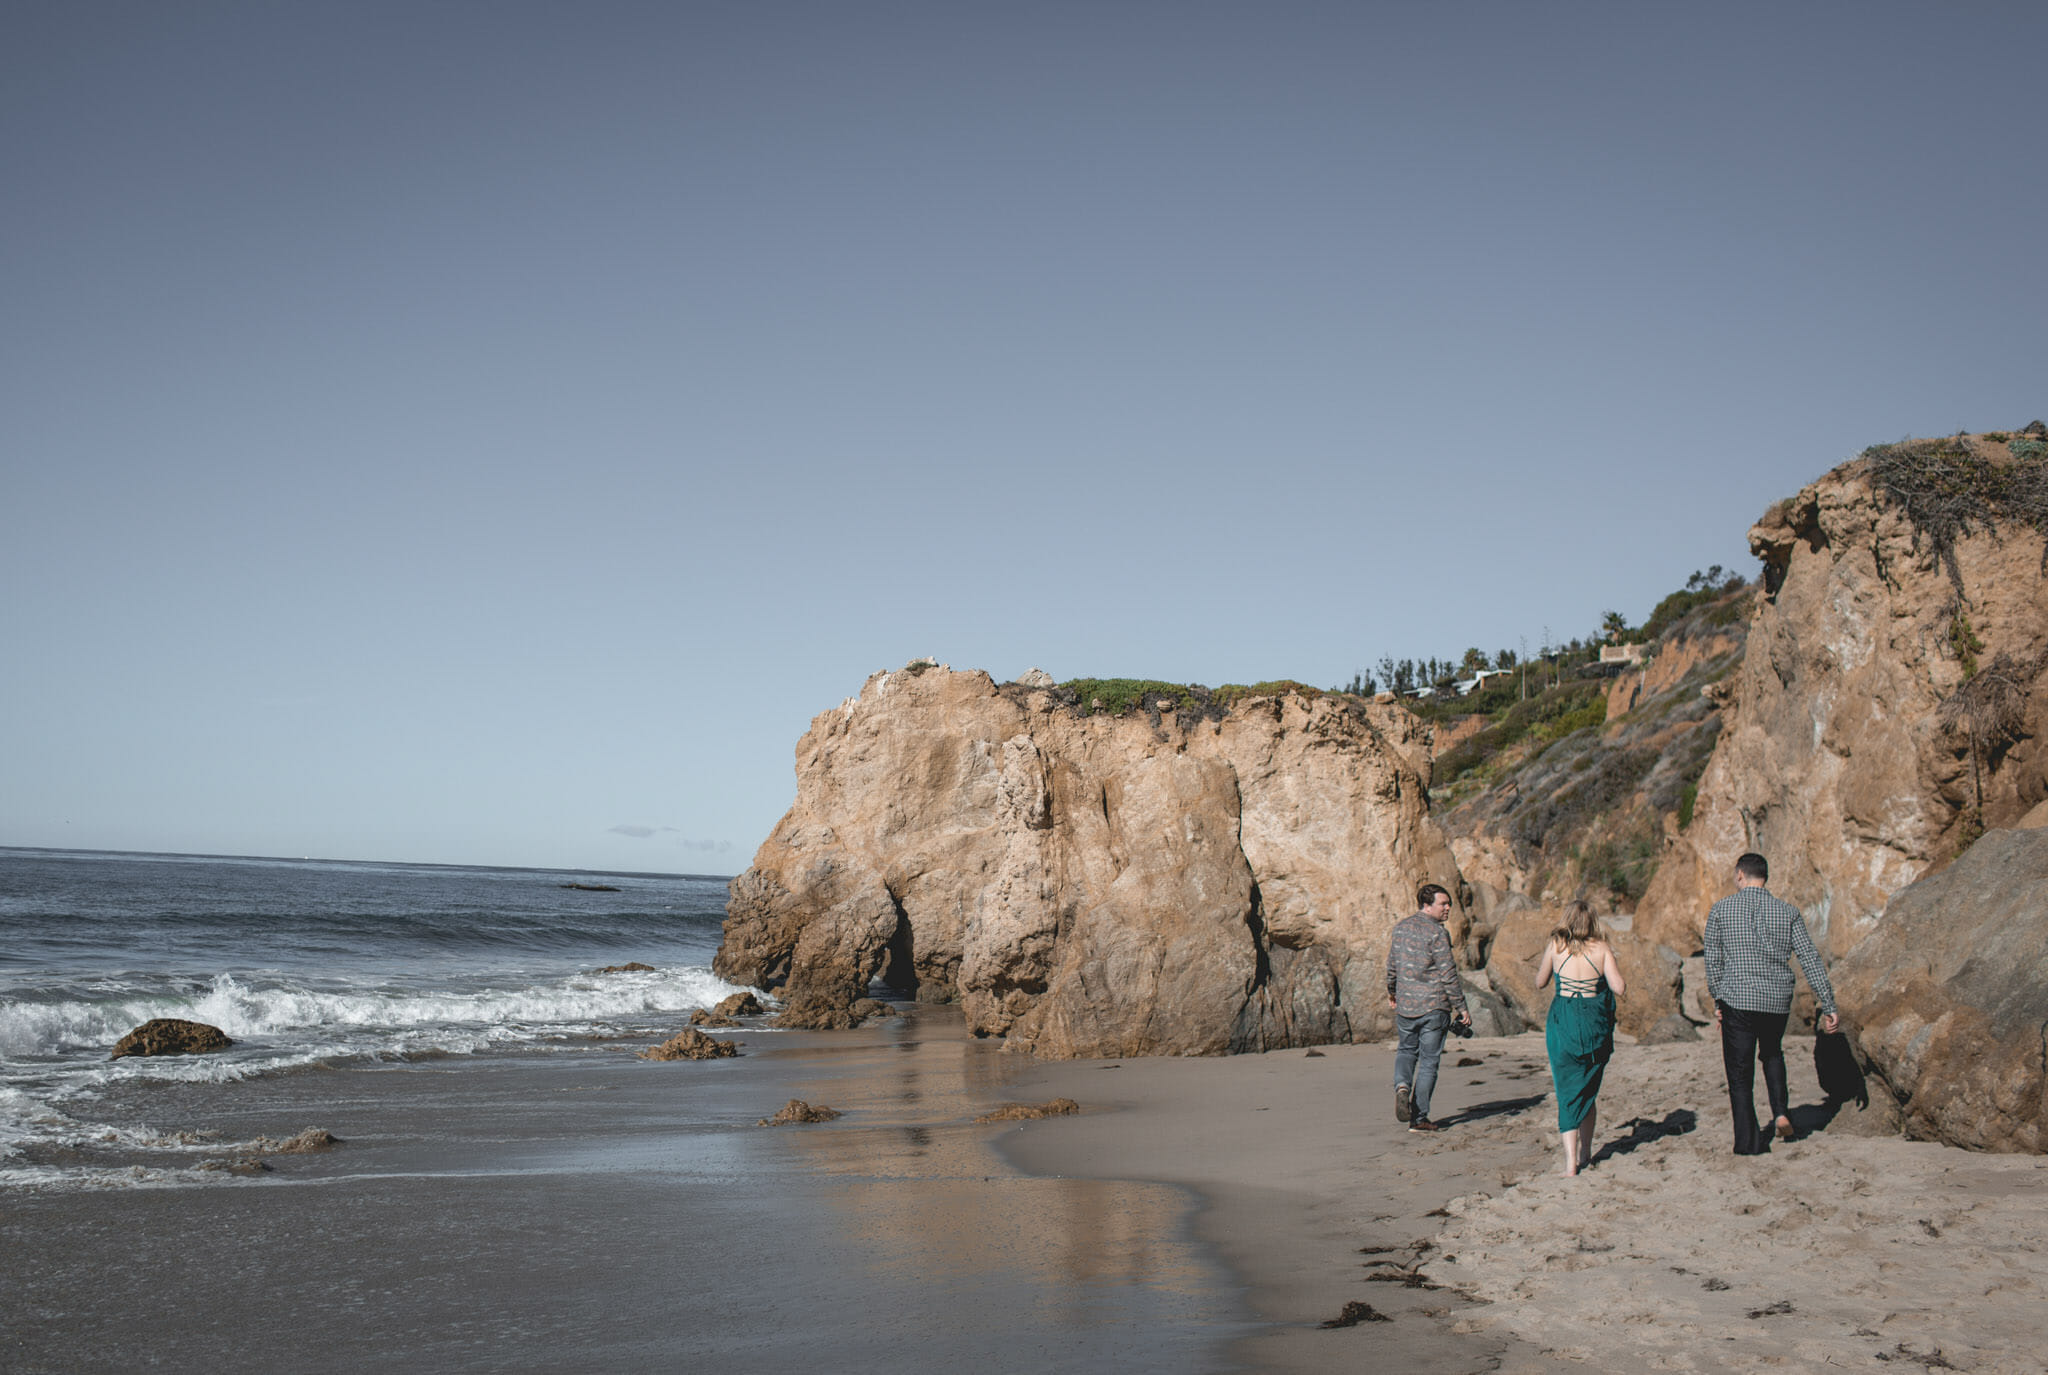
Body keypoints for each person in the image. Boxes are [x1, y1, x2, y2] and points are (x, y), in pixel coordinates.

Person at [1704, 852, 1840, 1155]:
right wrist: (1827, 1003)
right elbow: (1809, 958)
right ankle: (1780, 1112)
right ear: (1765, 877)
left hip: (1737, 998)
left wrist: (1717, 996)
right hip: (1776, 1000)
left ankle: (1749, 1143)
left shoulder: (1721, 910)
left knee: (1740, 1073)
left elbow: (1713, 958)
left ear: (1740, 875)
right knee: (1772, 1053)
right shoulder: (1787, 911)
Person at [1535, 900, 1625, 1176]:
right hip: (1592, 1021)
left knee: (1566, 1090)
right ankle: (1586, 1152)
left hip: (1564, 1019)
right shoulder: (1602, 948)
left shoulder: (1556, 945)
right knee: (1588, 1089)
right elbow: (1619, 987)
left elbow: (1540, 982)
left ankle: (1570, 1162)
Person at [1386, 882, 1471, 1134]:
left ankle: (1401, 1086)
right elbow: (1448, 973)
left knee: (1405, 1051)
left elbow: (1392, 965)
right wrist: (1461, 1007)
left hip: (1406, 1004)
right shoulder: (1438, 933)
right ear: (1427, 905)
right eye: (1443, 904)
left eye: (1449, 904)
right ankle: (1419, 1117)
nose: (1448, 908)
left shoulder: (1400, 928)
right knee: (1428, 1062)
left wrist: (1392, 991)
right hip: (1434, 1005)